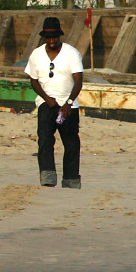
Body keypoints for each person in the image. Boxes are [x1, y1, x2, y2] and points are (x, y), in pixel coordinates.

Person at [25, 17, 84, 189]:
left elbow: (78, 81)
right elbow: (33, 80)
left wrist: (68, 103)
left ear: (59, 36)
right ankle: (48, 176)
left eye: (55, 37)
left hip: (69, 106)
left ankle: (71, 180)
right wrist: (46, 98)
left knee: (71, 143)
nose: (52, 41)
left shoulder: (71, 53)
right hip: (47, 104)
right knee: (44, 140)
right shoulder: (36, 54)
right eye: (48, 38)